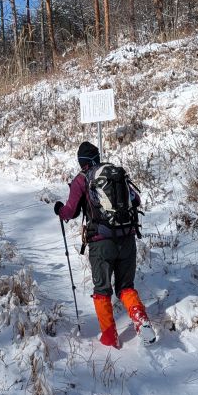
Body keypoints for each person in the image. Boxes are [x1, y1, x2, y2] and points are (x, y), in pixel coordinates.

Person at [54, 141, 155, 348]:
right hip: (126, 238)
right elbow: (136, 200)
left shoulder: (82, 180)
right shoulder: (117, 174)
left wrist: (59, 209)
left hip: (101, 243)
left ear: (81, 162)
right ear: (97, 158)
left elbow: (70, 212)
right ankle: (140, 318)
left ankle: (110, 336)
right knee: (126, 287)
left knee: (102, 289)